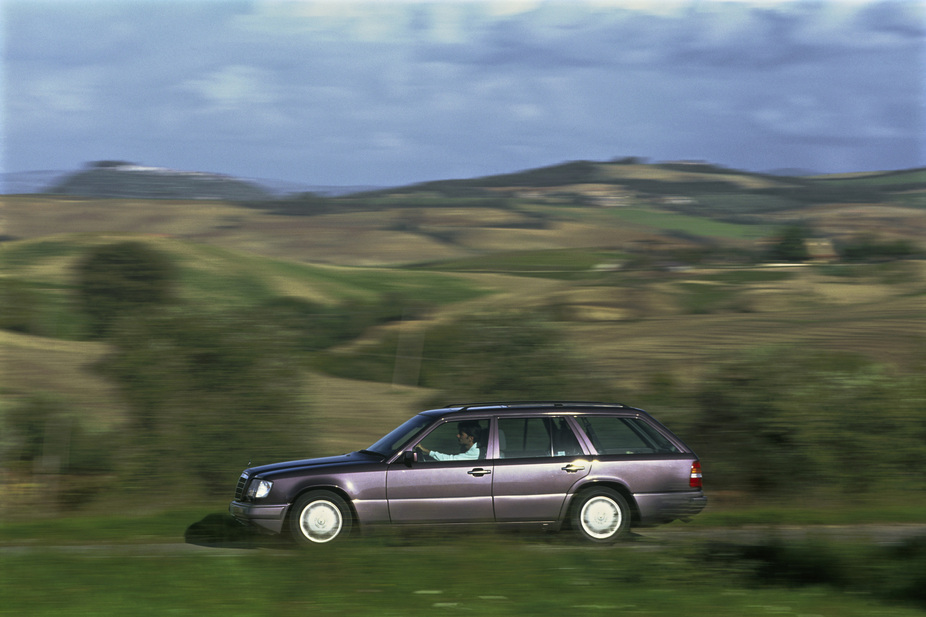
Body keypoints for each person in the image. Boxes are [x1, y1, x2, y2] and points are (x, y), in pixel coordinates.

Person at [416, 420, 482, 461]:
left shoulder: (475, 452)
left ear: (471, 438)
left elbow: (450, 460)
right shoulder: (468, 449)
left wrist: (426, 451)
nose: (457, 435)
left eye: (461, 434)